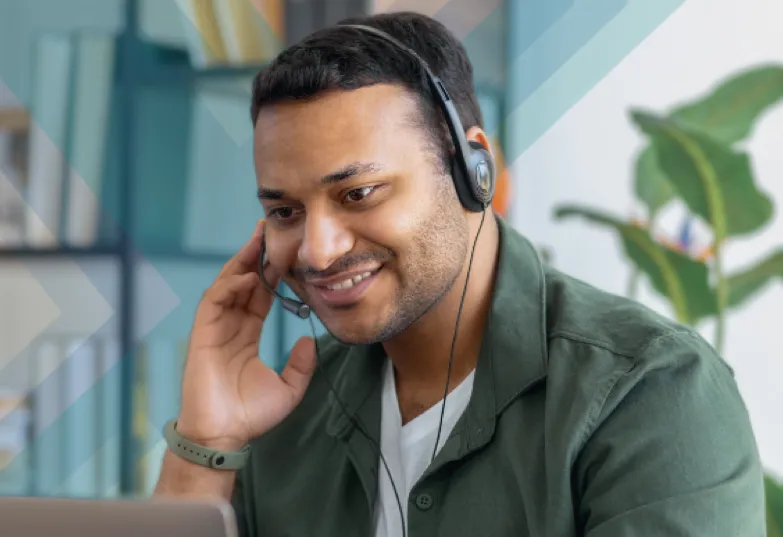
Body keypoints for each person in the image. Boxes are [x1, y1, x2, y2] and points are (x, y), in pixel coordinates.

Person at [153, 11, 766, 537]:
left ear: (474, 167)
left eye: (359, 193)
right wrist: (204, 444)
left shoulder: (649, 393)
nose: (316, 251)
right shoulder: (288, 418)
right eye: (285, 212)